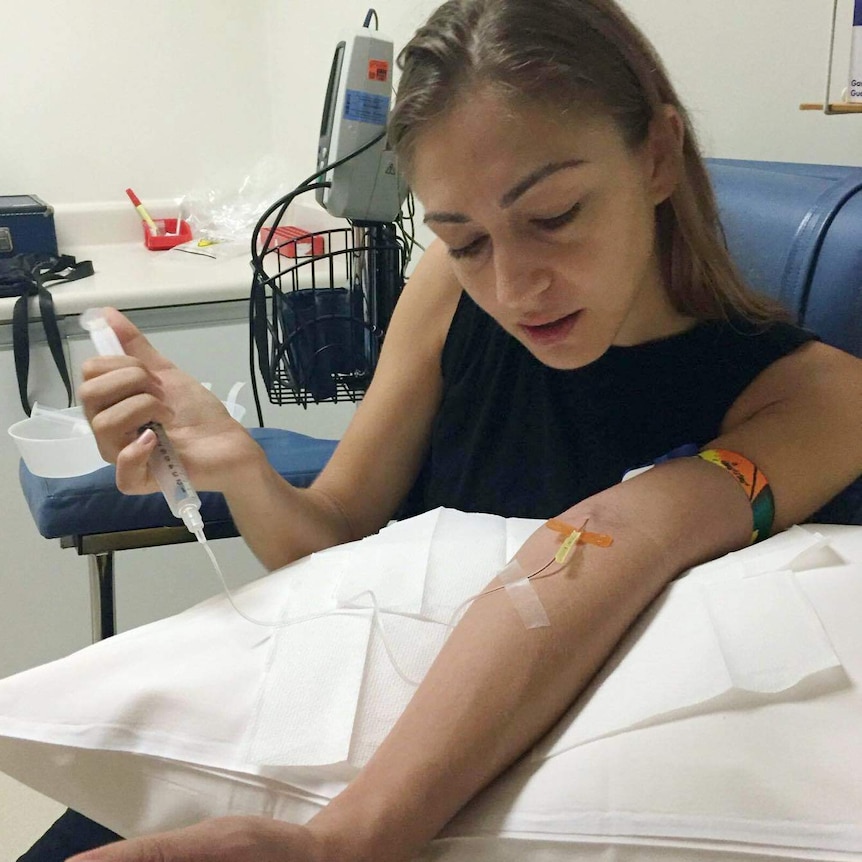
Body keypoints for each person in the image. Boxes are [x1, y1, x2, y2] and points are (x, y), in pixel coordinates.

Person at [20, 0, 862, 859]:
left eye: (554, 215)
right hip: (371, 748)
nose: (515, 287)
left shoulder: (819, 399)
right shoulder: (448, 291)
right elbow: (335, 534)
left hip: (549, 807)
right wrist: (240, 467)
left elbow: (611, 541)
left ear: (655, 155)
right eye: (464, 239)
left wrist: (341, 842)